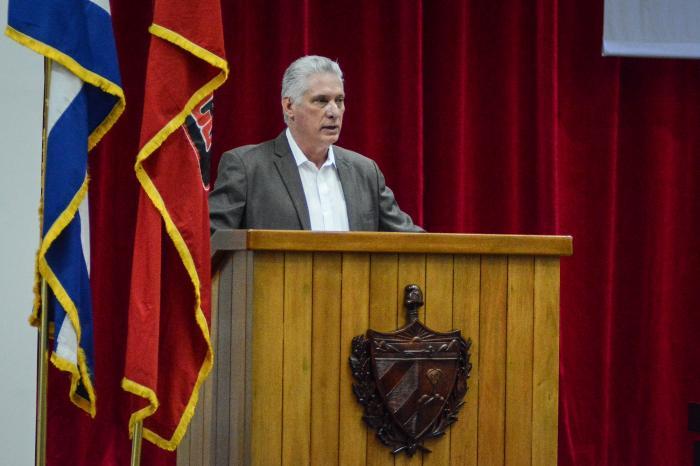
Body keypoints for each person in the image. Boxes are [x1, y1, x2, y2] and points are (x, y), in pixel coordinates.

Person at [209, 55, 422, 232]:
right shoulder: (247, 167)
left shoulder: (365, 172)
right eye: (321, 101)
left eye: (339, 101)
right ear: (289, 106)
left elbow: (412, 242)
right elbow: (213, 243)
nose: (333, 112)